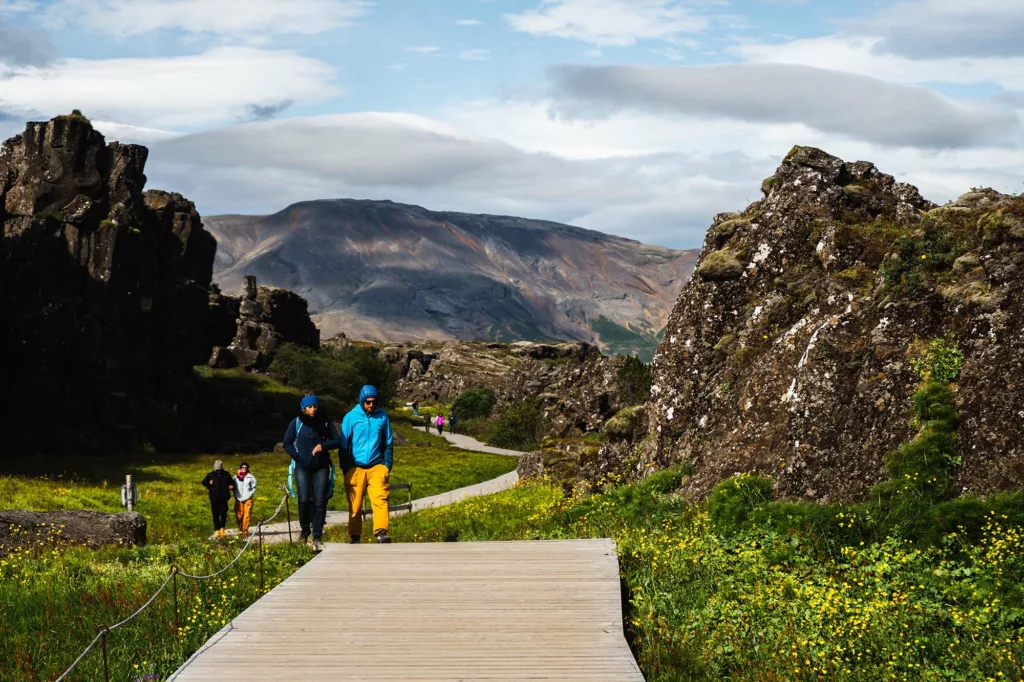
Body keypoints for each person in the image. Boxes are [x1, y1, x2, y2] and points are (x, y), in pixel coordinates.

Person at [282, 394, 340, 551]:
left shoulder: (325, 421)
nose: (313, 409)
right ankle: (304, 530)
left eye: (315, 406)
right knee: (304, 500)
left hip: (321, 467)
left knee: (320, 500)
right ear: (303, 408)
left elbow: (337, 441)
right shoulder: (297, 423)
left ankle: (317, 535)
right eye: (309, 407)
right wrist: (299, 458)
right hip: (302, 467)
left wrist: (323, 445)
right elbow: (287, 443)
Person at [340, 385, 394, 544]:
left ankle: (381, 532)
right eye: (368, 402)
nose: (371, 405)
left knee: (380, 499)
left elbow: (388, 442)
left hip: (377, 466)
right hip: (356, 467)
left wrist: (387, 465)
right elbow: (344, 445)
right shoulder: (350, 417)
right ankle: (355, 535)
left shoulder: (382, 417)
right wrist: (347, 468)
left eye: (374, 402)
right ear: (362, 401)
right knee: (355, 506)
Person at [202, 460, 235, 539]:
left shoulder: (226, 474)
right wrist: (209, 484)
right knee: (215, 514)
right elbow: (204, 482)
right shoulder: (210, 475)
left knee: (223, 512)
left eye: (219, 469)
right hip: (214, 497)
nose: (218, 470)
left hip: (224, 497)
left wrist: (231, 486)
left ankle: (222, 528)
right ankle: (217, 529)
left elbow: (232, 483)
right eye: (217, 469)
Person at [233, 462, 257, 539]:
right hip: (238, 498)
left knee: (246, 516)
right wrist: (235, 494)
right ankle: (240, 530)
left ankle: (245, 533)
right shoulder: (235, 478)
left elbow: (254, 486)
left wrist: (251, 494)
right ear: (240, 468)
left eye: (245, 467)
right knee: (239, 516)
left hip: (247, 498)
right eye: (242, 467)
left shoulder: (251, 477)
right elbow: (232, 486)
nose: (244, 469)